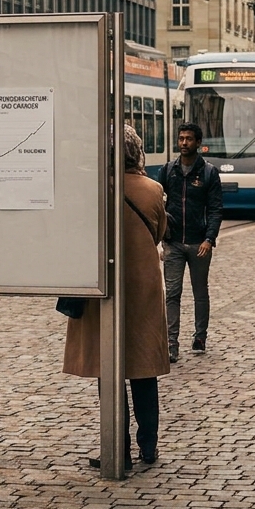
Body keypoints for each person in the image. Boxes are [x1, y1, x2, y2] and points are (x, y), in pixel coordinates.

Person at [64, 124, 170, 470]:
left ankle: (117, 448)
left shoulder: (94, 188)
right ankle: (149, 447)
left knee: (108, 371)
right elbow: (159, 232)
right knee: (143, 371)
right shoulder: (153, 189)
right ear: (137, 152)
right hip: (142, 290)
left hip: (104, 291)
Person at [157, 122, 223, 363]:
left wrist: (209, 238)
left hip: (199, 243)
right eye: (181, 138)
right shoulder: (167, 171)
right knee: (172, 294)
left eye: (188, 139)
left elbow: (216, 209)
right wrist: (162, 233)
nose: (184, 143)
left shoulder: (208, 173)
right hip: (173, 243)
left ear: (198, 143)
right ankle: (171, 343)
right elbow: (158, 205)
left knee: (199, 291)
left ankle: (200, 336)